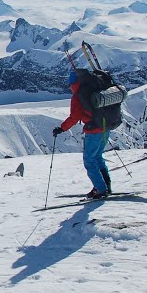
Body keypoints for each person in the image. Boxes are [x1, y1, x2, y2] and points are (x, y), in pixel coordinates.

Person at [53, 69, 112, 199]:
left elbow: (75, 117)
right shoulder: (94, 87)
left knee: (90, 160)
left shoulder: (79, 95)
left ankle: (100, 189)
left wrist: (62, 128)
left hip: (94, 131)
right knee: (98, 157)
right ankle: (106, 186)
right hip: (105, 126)